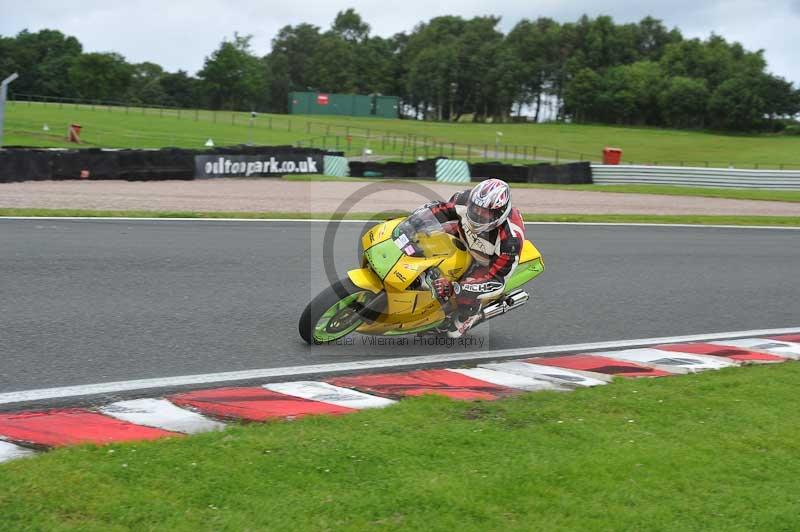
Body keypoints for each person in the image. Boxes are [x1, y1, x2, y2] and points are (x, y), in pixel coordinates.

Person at [422, 178, 524, 338]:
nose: (478, 214)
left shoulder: (510, 240)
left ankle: (469, 315)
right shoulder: (464, 198)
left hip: (486, 261)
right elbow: (440, 210)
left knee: (453, 330)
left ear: (499, 212)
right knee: (425, 238)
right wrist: (414, 221)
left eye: (485, 212)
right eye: (476, 209)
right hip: (462, 234)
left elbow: (496, 282)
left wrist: (457, 287)